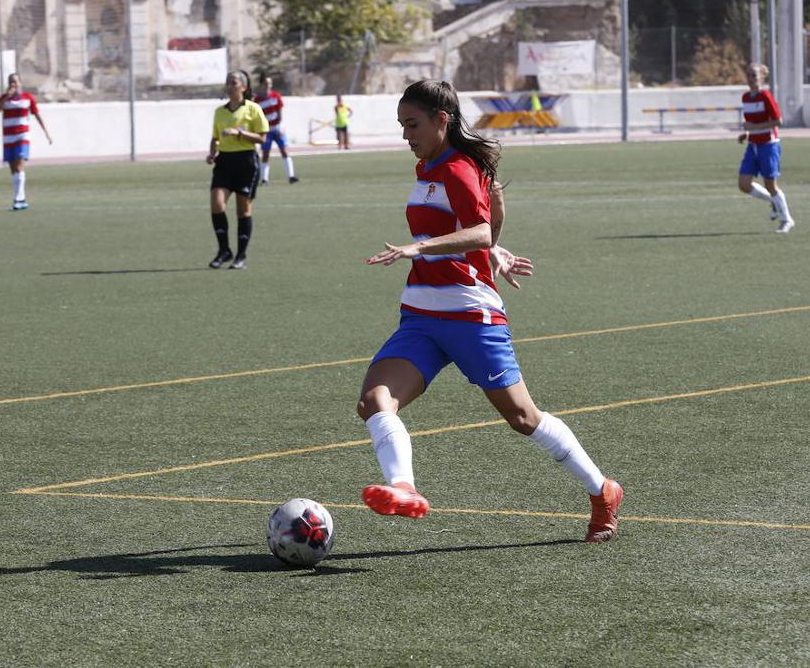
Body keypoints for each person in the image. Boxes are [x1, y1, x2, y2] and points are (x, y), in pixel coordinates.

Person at [356, 79, 623, 542]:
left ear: (442, 120)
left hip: (470, 316)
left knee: (523, 418)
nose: (405, 135)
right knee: (374, 401)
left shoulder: (458, 168)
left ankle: (603, 491)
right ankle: (404, 488)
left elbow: (478, 229)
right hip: (421, 316)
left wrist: (427, 248)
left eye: (412, 124)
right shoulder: (429, 165)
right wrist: (493, 250)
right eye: (401, 125)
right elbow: (487, 215)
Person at [206, 70, 268, 270]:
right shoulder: (219, 112)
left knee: (243, 210)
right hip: (224, 162)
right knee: (217, 204)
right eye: (228, 82)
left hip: (246, 162)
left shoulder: (253, 109)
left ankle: (241, 256)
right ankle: (224, 250)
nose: (230, 86)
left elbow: (262, 138)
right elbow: (215, 137)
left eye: (234, 82)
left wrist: (239, 133)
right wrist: (212, 153)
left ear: (244, 87)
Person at [736, 63, 794, 233]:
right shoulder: (746, 97)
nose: (751, 79)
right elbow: (753, 122)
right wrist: (747, 134)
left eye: (754, 75)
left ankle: (787, 220)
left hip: (768, 145)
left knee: (771, 185)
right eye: (748, 75)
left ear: (761, 77)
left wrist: (753, 128)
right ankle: (773, 201)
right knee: (744, 184)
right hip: (753, 145)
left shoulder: (766, 96)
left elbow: (778, 121)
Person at [0, 73, 51, 211]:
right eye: (10, 82)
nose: (13, 84)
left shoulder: (28, 98)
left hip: (22, 136)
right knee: (13, 170)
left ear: (20, 83)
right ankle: (21, 199)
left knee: (19, 165)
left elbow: (36, 114)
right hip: (8, 137)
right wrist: (6, 97)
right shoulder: (4, 98)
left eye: (15, 82)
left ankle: (18, 200)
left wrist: (46, 132)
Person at [254, 74, 298, 185]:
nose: (268, 85)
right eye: (266, 83)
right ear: (261, 84)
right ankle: (264, 179)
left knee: (284, 151)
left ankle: (291, 176)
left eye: (270, 83)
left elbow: (279, 113)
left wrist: (280, 126)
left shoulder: (276, 96)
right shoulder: (257, 100)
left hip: (277, 129)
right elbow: (257, 117)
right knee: (265, 154)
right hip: (265, 131)